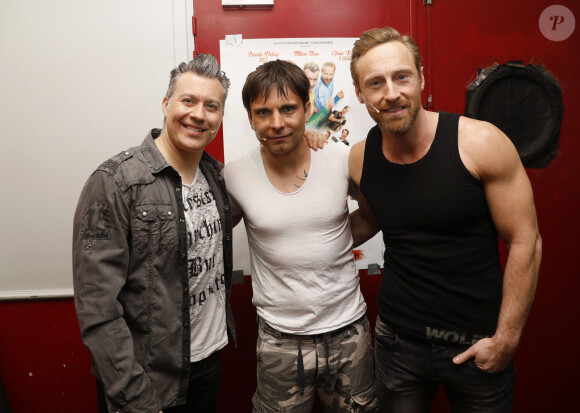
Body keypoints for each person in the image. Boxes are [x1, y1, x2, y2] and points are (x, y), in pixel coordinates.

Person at [348, 27, 542, 412]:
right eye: (375, 83)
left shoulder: (480, 143)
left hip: (477, 343)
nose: (391, 93)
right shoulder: (359, 158)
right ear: (360, 94)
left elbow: (526, 241)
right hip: (397, 343)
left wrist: (506, 338)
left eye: (401, 76)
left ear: (421, 77)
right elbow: (369, 221)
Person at [72, 54, 237, 413]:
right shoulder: (115, 182)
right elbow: (97, 308)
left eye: (212, 106)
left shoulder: (218, 177)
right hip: (146, 378)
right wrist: (134, 396)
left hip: (207, 363)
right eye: (188, 100)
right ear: (166, 104)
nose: (199, 114)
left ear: (220, 119)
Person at [223, 60, 377, 413]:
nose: (276, 123)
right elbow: (212, 233)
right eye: (263, 112)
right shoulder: (234, 176)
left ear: (308, 108)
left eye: (288, 109)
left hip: (348, 332)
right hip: (279, 339)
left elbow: (373, 217)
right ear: (250, 118)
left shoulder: (340, 158)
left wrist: (330, 245)